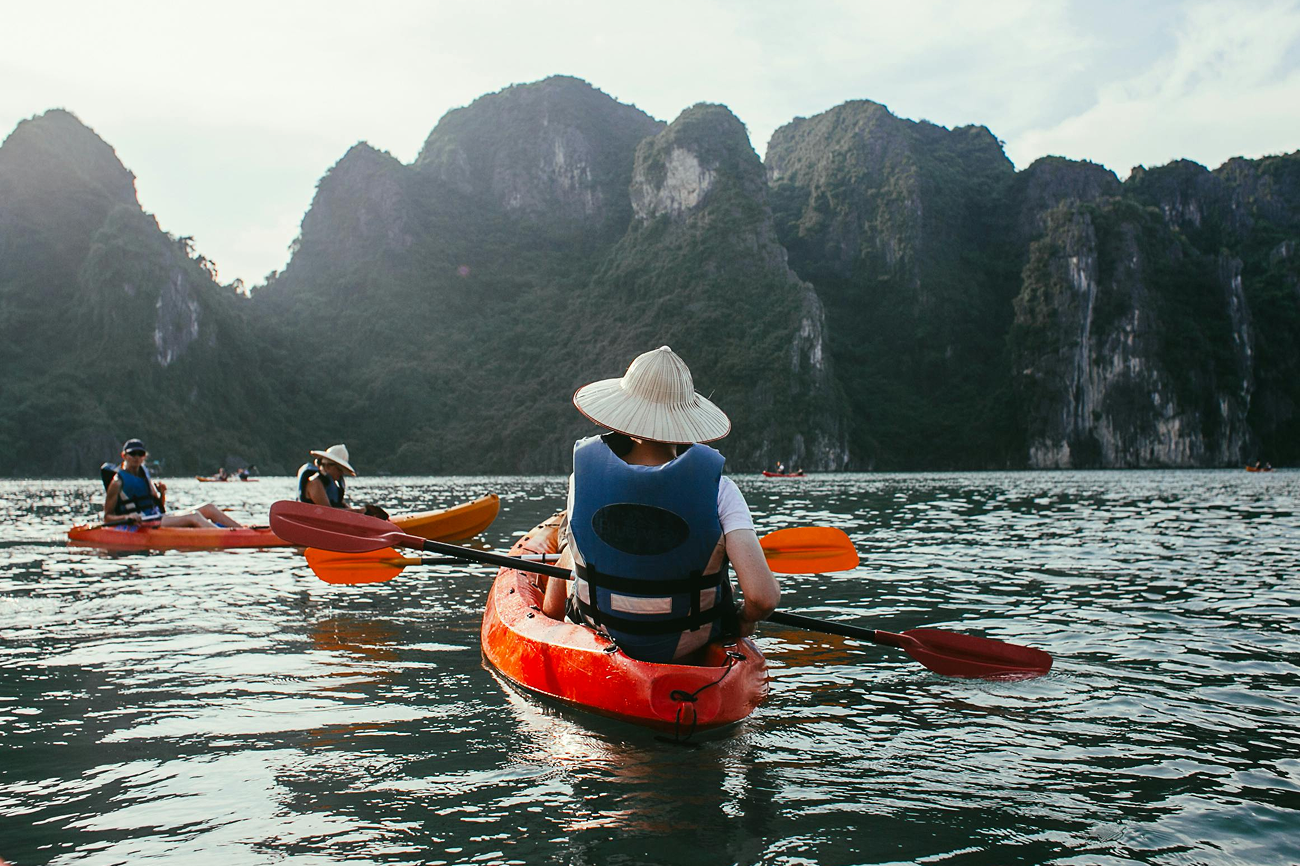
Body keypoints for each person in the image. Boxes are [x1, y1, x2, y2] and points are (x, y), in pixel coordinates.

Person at [541, 346, 780, 664]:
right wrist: (744, 620)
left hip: (601, 632)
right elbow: (762, 598)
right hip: (688, 646)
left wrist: (550, 617)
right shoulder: (721, 491)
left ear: (625, 413)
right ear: (685, 421)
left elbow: (575, 558)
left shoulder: (581, 480)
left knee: (570, 550)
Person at [102, 439, 247, 529]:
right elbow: (107, 517)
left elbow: (159, 506)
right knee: (194, 516)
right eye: (132, 454)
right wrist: (127, 518)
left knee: (208, 508)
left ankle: (244, 532)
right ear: (124, 456)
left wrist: (162, 493)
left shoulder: (143, 475)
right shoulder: (117, 482)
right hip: (143, 523)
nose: (136, 458)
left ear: (144, 456)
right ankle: (230, 537)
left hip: (155, 517)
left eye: (140, 454)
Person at [297, 444, 388, 518]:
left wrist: (363, 512)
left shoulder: (333, 486)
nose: (341, 474)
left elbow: (343, 506)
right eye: (339, 470)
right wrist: (360, 511)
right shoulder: (314, 482)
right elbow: (327, 513)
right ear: (328, 466)